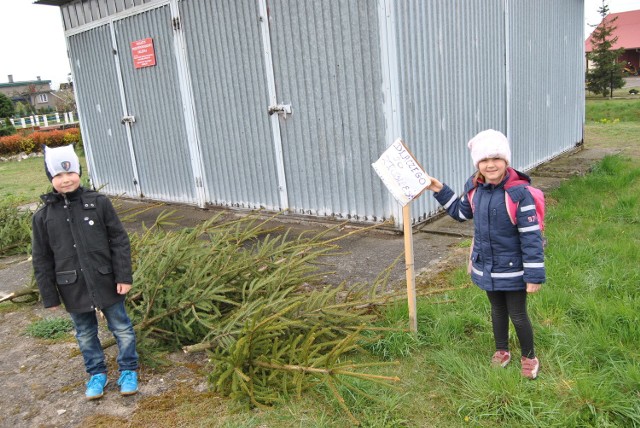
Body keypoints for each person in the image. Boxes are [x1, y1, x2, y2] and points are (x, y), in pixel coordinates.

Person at [425, 129, 545, 379]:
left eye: (496, 158)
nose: (490, 165)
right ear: (477, 163)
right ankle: (502, 351)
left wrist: (534, 275)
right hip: (487, 265)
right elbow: (460, 213)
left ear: (506, 161)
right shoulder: (474, 189)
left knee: (518, 314)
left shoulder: (519, 194)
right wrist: (439, 189)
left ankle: (529, 356)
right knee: (497, 311)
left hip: (514, 268)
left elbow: (531, 237)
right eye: (484, 160)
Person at [31, 144, 139, 399]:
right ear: (51, 178)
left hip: (107, 281)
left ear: (79, 172)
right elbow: (42, 258)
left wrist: (124, 276)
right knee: (85, 333)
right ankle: (96, 374)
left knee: (122, 327)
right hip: (73, 287)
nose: (65, 179)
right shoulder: (43, 217)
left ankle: (128, 370)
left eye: (70, 173)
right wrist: (50, 295)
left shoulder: (98, 203)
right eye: (58, 175)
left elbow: (119, 240)